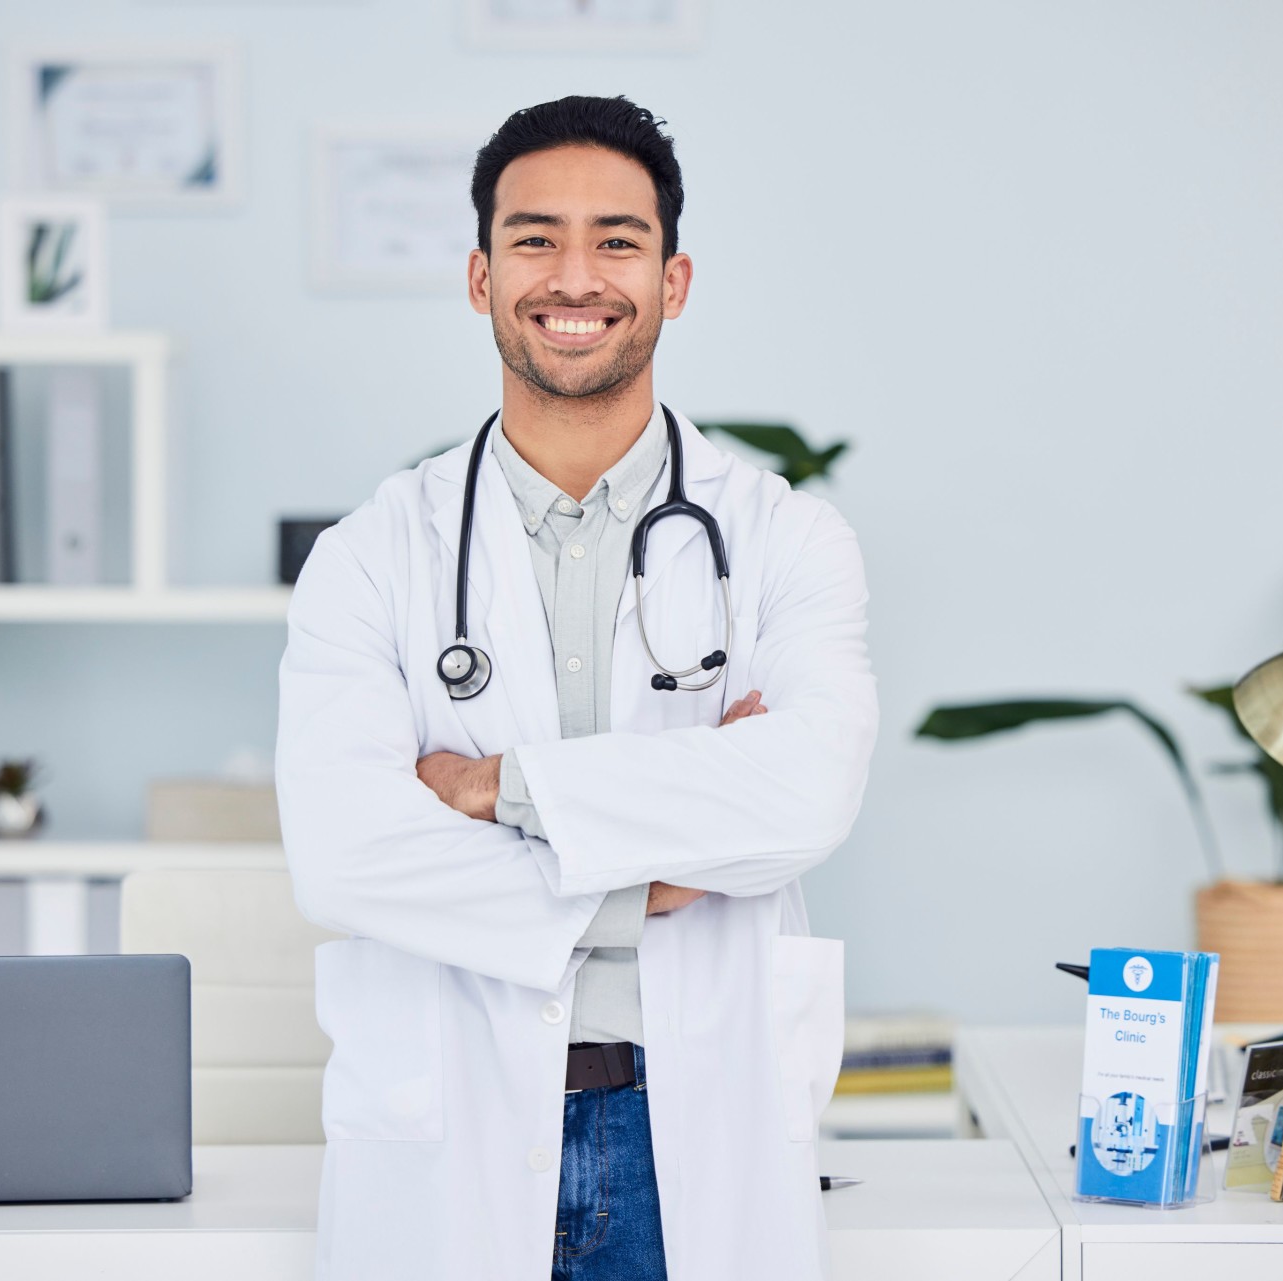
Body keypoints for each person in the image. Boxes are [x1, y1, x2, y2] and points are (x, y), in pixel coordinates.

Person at [277, 95, 878, 1281]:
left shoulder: (785, 541)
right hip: (450, 1129)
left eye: (617, 240)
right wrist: (645, 883)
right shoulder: (371, 555)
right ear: (480, 275)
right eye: (535, 237)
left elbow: (803, 796)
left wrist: (497, 788)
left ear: (674, 278)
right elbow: (344, 854)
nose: (575, 276)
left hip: (693, 1133)